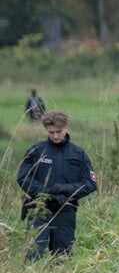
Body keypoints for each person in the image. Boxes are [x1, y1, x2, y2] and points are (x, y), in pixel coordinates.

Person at [17, 110, 98, 260]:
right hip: (40, 210)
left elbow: (90, 183)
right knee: (32, 255)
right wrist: (47, 193)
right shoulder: (36, 151)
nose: (55, 136)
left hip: (65, 211)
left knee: (62, 257)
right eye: (51, 132)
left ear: (66, 127)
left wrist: (66, 190)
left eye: (58, 132)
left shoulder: (78, 154)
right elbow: (23, 178)